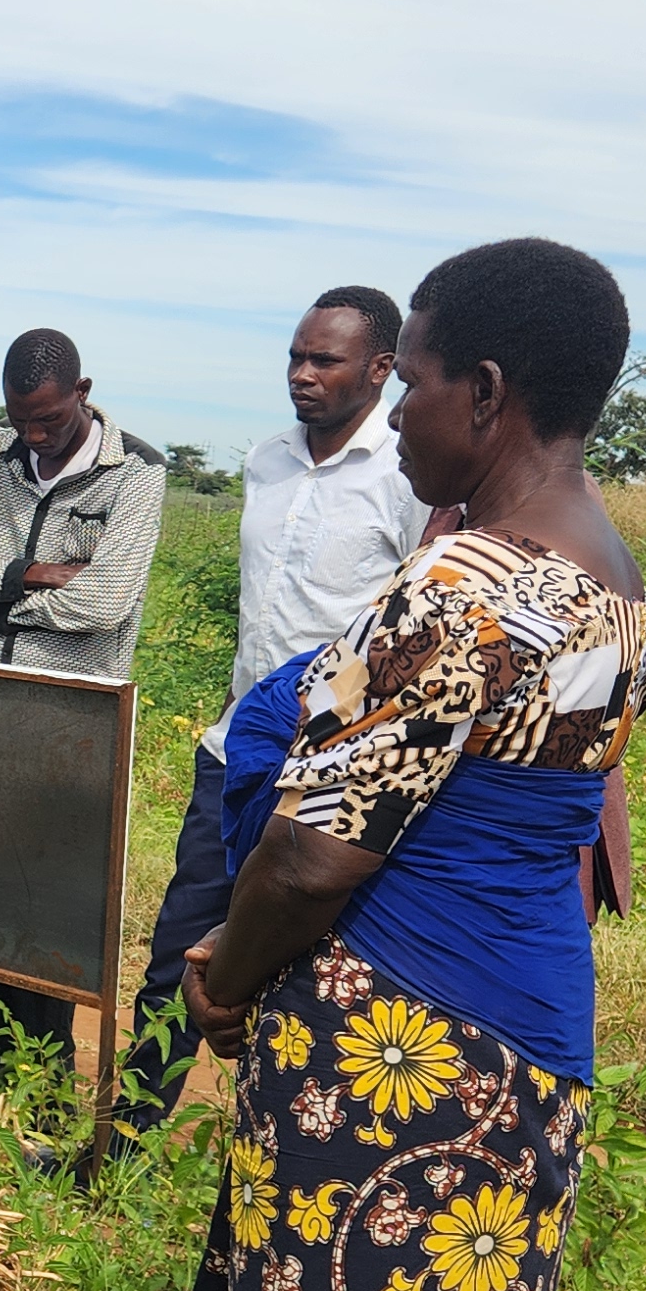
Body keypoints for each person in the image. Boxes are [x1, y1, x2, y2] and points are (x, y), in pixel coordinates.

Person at [78, 239, 646, 1291]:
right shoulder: (607, 572)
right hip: (524, 1043)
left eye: (418, 381)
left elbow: (322, 846)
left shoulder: (464, 586)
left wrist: (227, 971)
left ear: (489, 392)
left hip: (404, 1045)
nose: (397, 414)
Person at [115, 288, 435, 1138]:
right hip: (239, 752)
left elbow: (413, 629)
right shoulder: (267, 461)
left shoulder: (406, 475)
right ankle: (121, 1143)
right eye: (296, 356)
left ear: (381, 368)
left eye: (324, 360)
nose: (302, 374)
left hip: (337, 772)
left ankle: (281, 1153)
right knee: (178, 954)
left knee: (317, 972)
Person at [0, 326, 169, 1078]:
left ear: (83, 394)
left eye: (50, 419)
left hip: (72, 724)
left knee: (48, 912)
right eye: (20, 418)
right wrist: (31, 572)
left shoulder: (136, 471)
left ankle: (44, 1090)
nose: (33, 434)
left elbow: (104, 603)